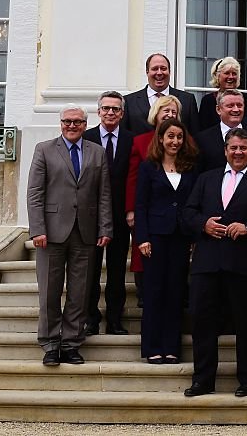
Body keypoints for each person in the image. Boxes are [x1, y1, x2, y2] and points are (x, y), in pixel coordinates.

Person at [179, 128, 247, 398]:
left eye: (243, 148)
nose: (238, 153)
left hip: (244, 263)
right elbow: (188, 213)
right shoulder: (205, 179)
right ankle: (203, 379)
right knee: (202, 323)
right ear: (225, 150)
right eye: (233, 148)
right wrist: (204, 224)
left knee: (246, 324)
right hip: (207, 262)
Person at [26, 105, 112, 366]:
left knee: (80, 292)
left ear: (86, 125)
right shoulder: (44, 149)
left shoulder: (97, 152)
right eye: (67, 122)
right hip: (51, 233)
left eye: (77, 122)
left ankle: (72, 343)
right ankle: (51, 344)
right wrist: (37, 229)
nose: (72, 126)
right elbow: (34, 193)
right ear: (60, 123)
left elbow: (104, 194)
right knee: (50, 292)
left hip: (85, 233)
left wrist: (105, 228)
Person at [134, 118, 198, 364]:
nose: (175, 141)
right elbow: (141, 205)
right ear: (160, 138)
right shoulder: (149, 167)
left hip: (181, 237)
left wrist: (193, 236)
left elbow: (193, 204)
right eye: (170, 136)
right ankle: (152, 347)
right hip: (155, 237)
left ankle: (172, 347)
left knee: (176, 292)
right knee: (154, 293)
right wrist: (142, 238)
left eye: (179, 137)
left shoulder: (190, 167)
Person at [83, 91, 135, 335]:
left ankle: (114, 319)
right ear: (99, 112)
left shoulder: (130, 139)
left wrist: (130, 209)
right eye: (106, 108)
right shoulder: (86, 137)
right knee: (90, 270)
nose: (111, 112)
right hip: (91, 215)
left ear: (122, 113)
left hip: (120, 215)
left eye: (115, 109)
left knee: (117, 270)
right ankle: (90, 318)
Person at [126, 95, 184, 308]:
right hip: (148, 213)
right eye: (165, 111)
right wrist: (131, 209)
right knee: (144, 259)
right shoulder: (140, 141)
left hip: (176, 221)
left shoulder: (185, 142)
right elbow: (133, 179)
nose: (169, 115)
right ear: (155, 114)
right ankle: (144, 294)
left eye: (173, 112)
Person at [122, 53, 200, 134]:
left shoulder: (187, 100)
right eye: (155, 69)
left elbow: (195, 135)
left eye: (163, 68)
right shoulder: (129, 101)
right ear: (147, 72)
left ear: (169, 71)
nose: (159, 73)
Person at [195, 89, 247, 173]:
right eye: (230, 106)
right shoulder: (203, 139)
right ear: (218, 109)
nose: (236, 110)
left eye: (239, 105)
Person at [196, 57, 247, 130]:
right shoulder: (208, 101)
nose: (231, 77)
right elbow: (203, 130)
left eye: (234, 73)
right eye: (227, 73)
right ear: (217, 76)